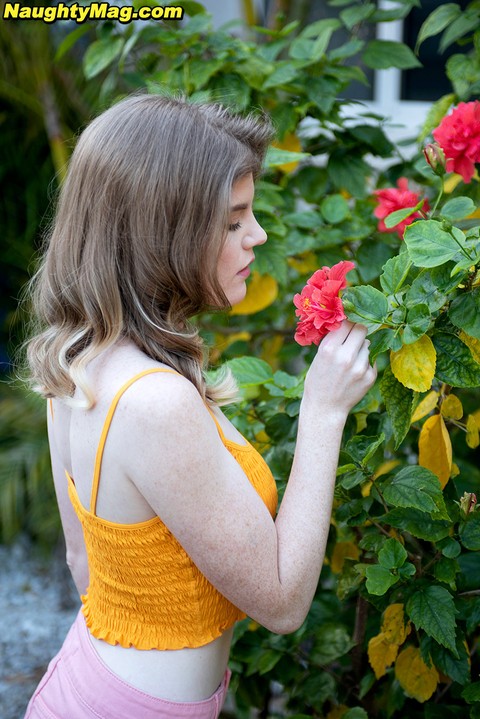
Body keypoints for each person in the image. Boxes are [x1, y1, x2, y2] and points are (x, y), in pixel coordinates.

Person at [22, 93, 376, 719]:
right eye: (235, 221)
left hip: (92, 680)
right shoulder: (155, 402)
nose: (257, 236)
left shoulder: (80, 353)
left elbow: (85, 561)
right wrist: (323, 412)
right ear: (166, 235)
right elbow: (282, 603)